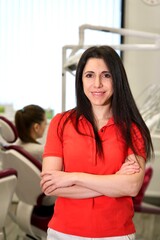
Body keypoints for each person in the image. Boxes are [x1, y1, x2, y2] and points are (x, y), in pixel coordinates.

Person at [40, 46, 154, 240]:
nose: (97, 84)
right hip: (63, 232)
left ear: (117, 79)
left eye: (106, 75)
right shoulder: (61, 123)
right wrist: (114, 180)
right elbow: (50, 186)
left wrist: (72, 177)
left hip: (115, 233)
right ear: (81, 80)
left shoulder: (132, 129)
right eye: (90, 75)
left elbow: (132, 186)